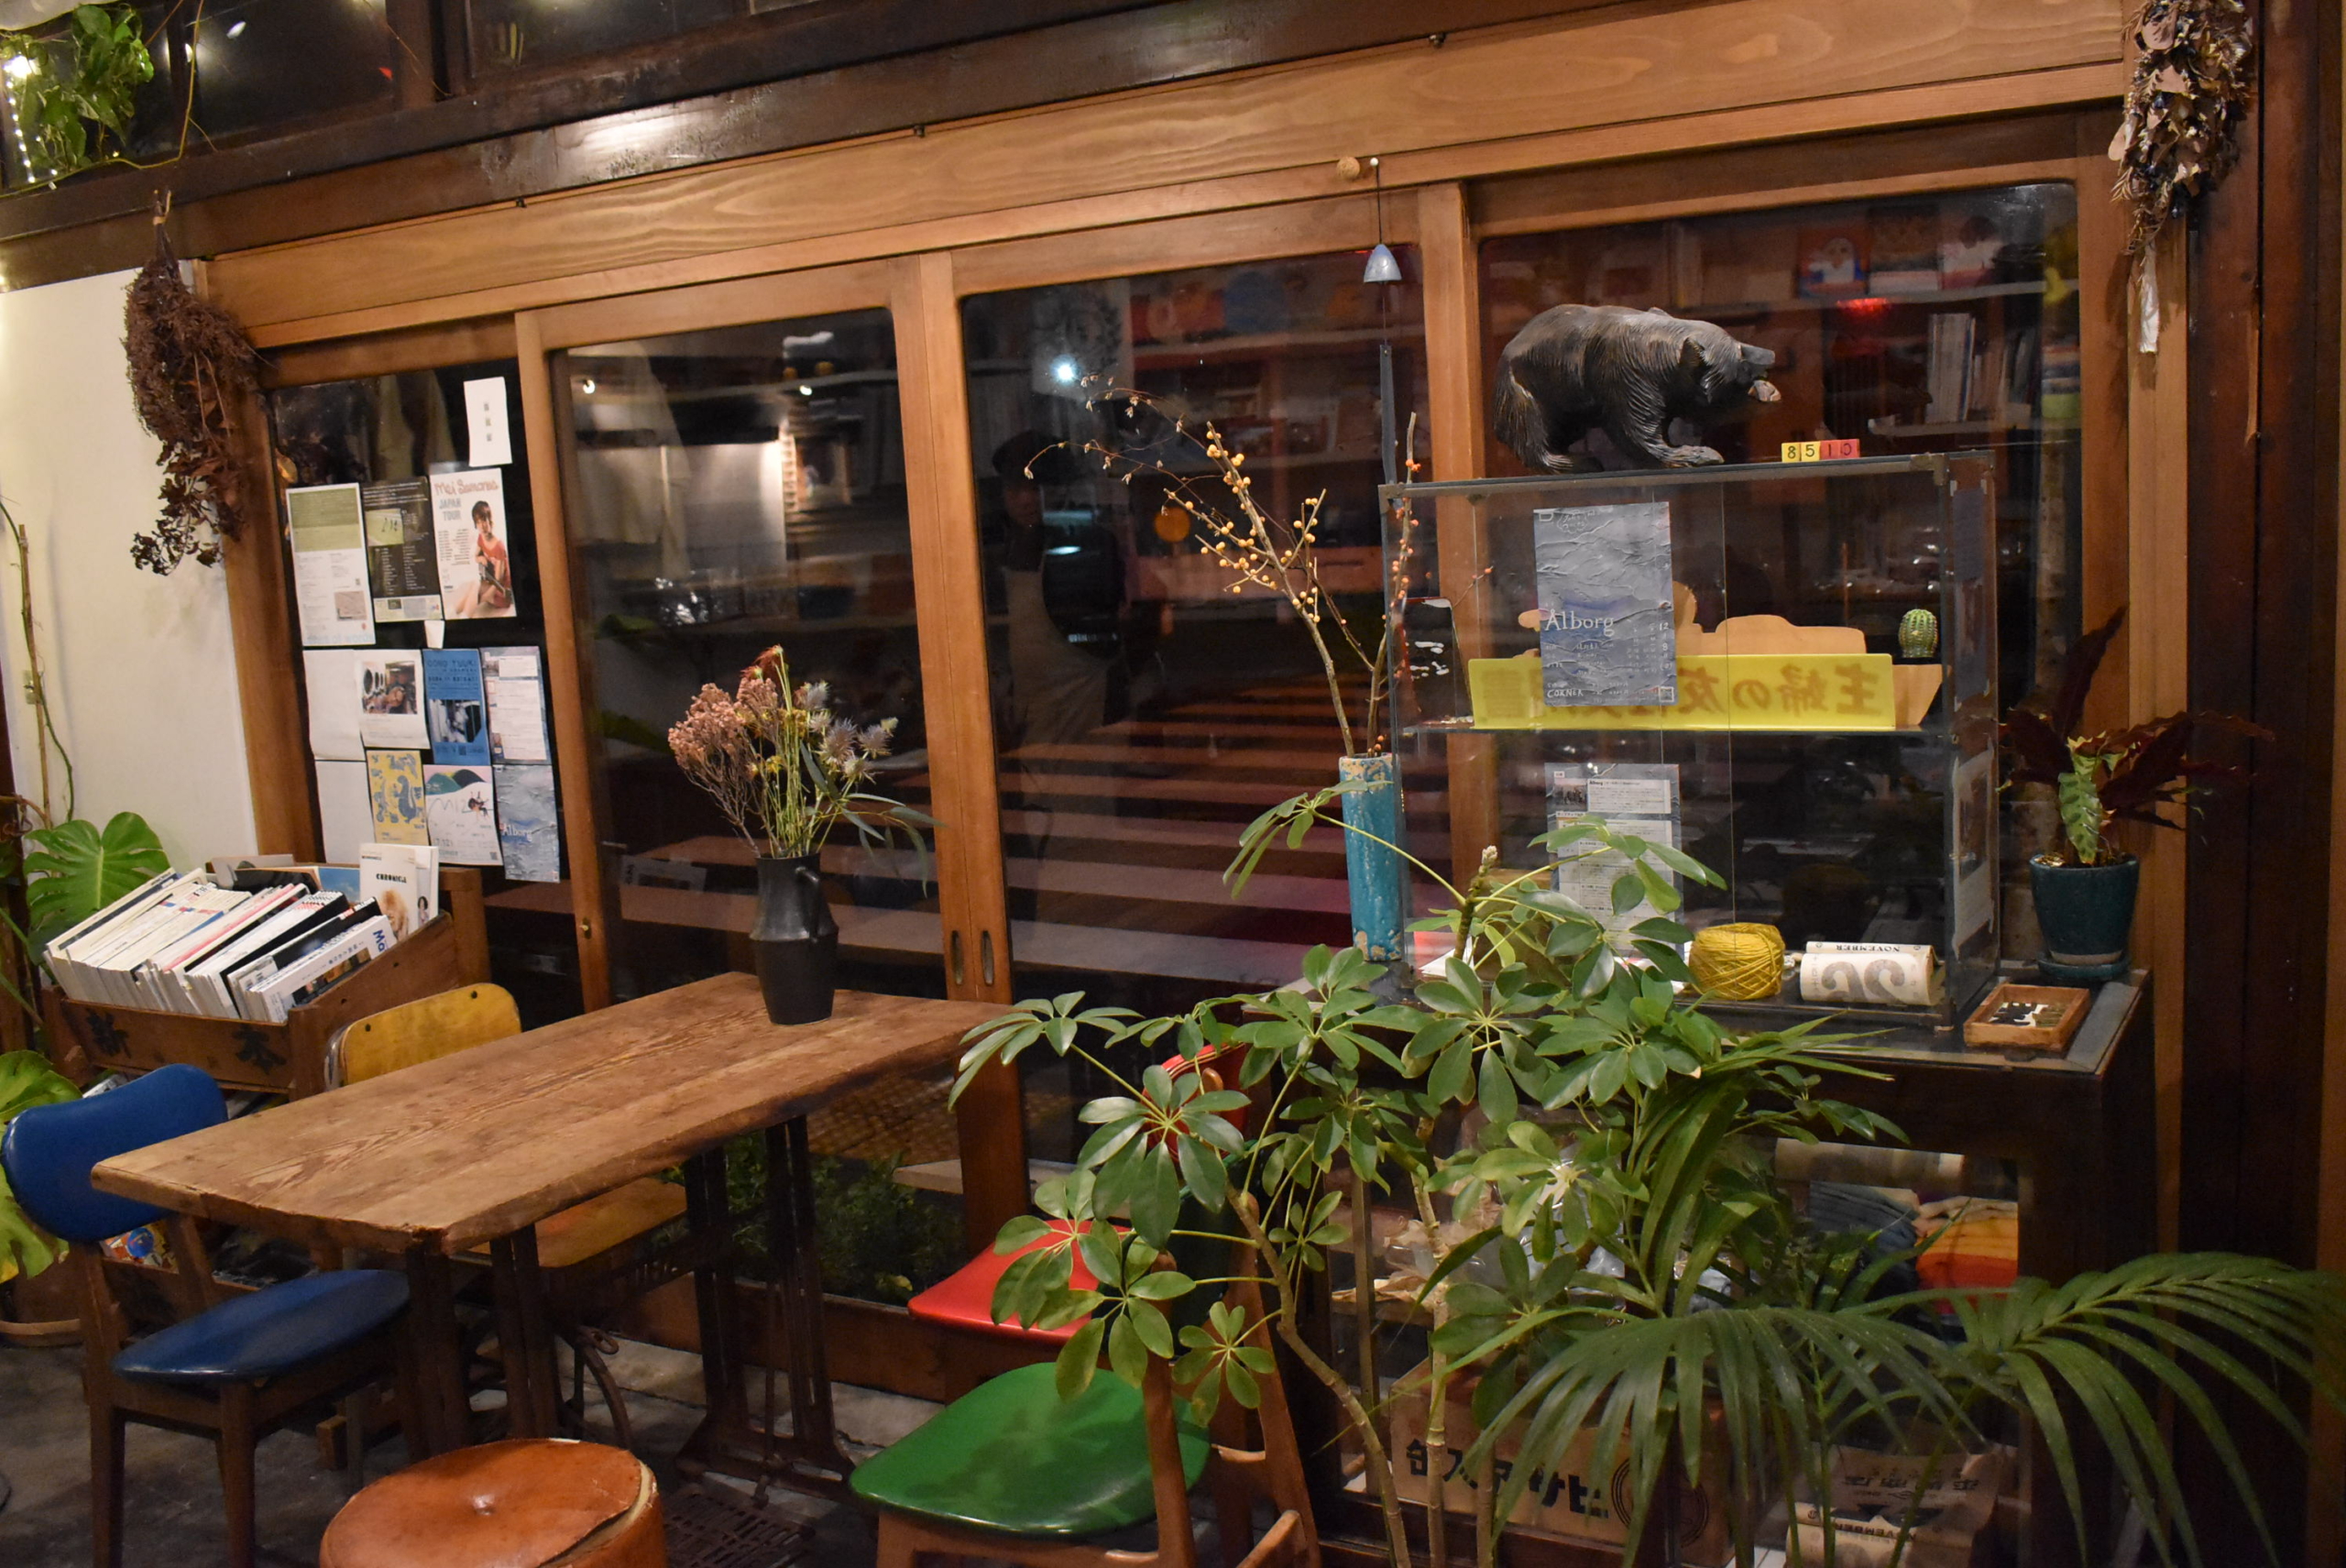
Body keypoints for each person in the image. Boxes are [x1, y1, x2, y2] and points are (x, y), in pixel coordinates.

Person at [472, 500, 514, 613]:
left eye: (484, 520)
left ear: (490, 520)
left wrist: (484, 597)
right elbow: (475, 556)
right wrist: (480, 558)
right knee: (472, 588)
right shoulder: (481, 538)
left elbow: (498, 579)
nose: (482, 526)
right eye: (478, 522)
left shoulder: (499, 546)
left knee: (474, 592)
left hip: (502, 590)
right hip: (490, 583)